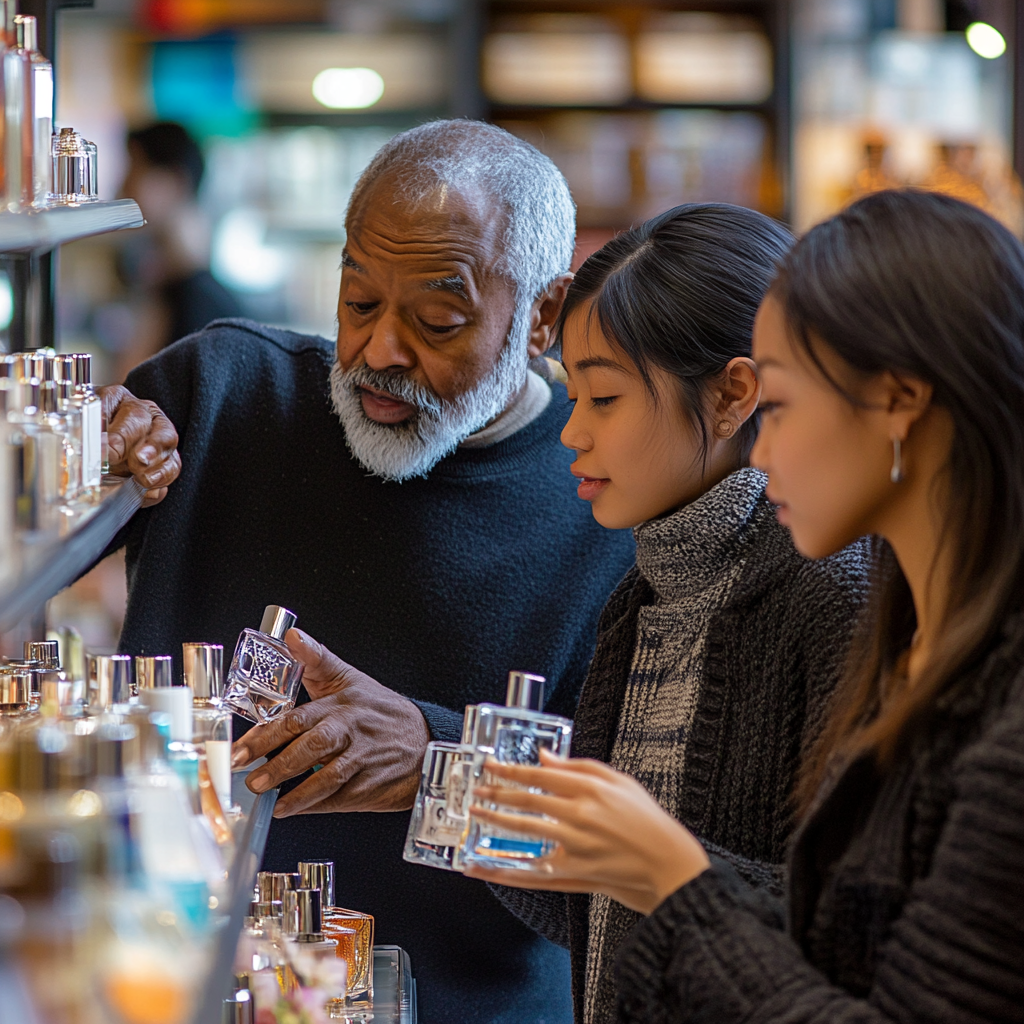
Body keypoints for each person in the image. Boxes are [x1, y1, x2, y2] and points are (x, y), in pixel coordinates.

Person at [99, 120, 637, 1023]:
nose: (380, 351)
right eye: (357, 303)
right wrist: (93, 449)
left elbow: (637, 842)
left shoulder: (607, 502)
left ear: (545, 315)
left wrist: (439, 763)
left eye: (437, 321)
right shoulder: (224, 393)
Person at [464, 190, 1024, 1022]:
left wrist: (671, 876)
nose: (761, 445)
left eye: (784, 404)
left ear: (900, 400)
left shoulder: (895, 635)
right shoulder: (906, 637)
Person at [117, 121, 242, 370]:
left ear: (176, 181)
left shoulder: (197, 304)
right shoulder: (173, 287)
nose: (122, 187)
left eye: (135, 169)